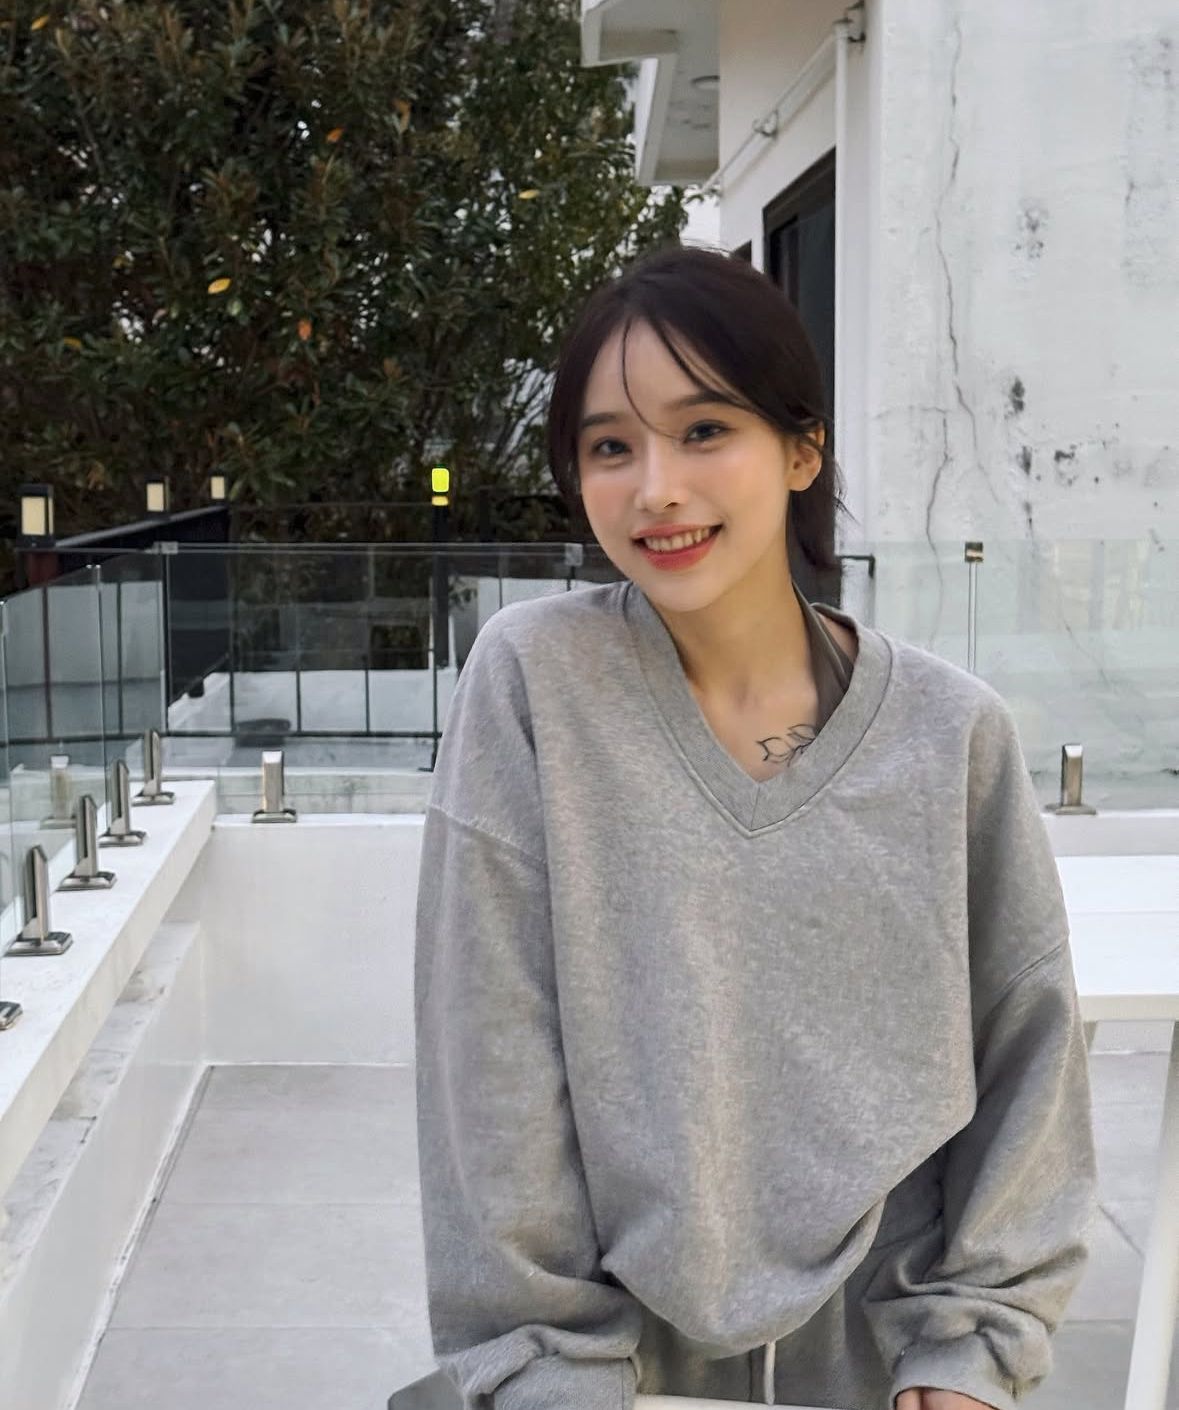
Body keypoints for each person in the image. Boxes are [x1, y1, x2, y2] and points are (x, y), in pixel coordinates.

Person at [413, 245, 1097, 1410]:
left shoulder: (951, 733)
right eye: (609, 446)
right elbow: (491, 1060)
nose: (656, 489)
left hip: (894, 1363)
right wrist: (543, 1361)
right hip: (617, 1367)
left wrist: (974, 1343)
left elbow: (1028, 1046)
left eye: (703, 431)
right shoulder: (534, 682)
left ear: (800, 448)